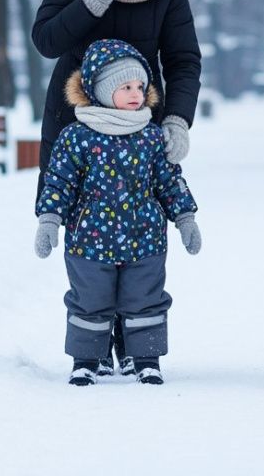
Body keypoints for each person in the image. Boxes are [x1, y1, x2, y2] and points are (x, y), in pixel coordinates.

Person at [32, 0, 202, 376]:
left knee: (139, 235)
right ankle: (90, 347)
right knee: (85, 237)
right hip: (76, 122)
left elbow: (183, 58)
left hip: (139, 120)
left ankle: (138, 345)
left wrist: (176, 120)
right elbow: (46, 40)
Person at [33, 39, 201, 386]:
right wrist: (49, 219)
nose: (136, 93)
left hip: (145, 241)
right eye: (126, 87)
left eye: (140, 86)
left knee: (145, 301)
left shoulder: (152, 137)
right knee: (90, 302)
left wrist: (185, 218)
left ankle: (145, 359)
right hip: (89, 242)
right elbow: (59, 181)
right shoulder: (77, 137)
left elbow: (169, 181)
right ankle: (87, 360)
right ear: (102, 90)